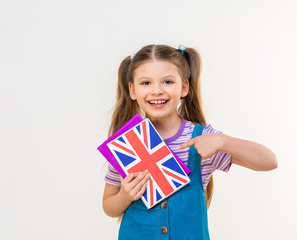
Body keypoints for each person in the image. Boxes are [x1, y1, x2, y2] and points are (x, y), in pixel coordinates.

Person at [102, 44, 278, 239]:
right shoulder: (126, 143)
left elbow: (269, 161)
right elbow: (109, 206)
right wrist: (124, 196)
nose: (156, 91)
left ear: (184, 87)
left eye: (168, 81)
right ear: (132, 90)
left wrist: (222, 141)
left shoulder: (203, 139)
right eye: (146, 83)